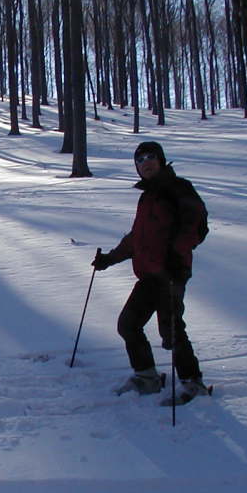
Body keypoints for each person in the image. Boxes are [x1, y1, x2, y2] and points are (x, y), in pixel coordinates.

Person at [92, 141, 208, 401]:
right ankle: (147, 377)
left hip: (171, 273)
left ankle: (193, 383)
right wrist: (109, 259)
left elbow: (196, 227)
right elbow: (138, 238)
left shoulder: (179, 189)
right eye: (140, 159)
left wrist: (176, 256)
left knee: (171, 330)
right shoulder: (147, 197)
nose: (145, 162)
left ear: (161, 160)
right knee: (128, 325)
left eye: (151, 157)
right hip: (148, 275)